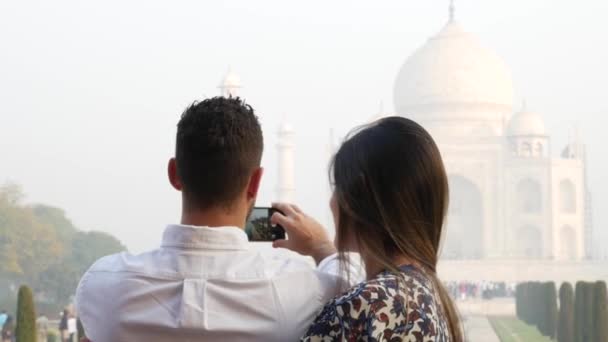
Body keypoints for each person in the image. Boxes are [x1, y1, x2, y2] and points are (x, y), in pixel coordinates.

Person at [75, 97, 346, 341]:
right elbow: (354, 286)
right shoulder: (294, 288)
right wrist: (321, 246)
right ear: (255, 182)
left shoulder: (105, 284)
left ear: (174, 173)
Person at [274, 117, 463, 341]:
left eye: (338, 188)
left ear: (359, 194)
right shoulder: (426, 293)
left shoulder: (364, 305)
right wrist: (321, 248)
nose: (332, 202)